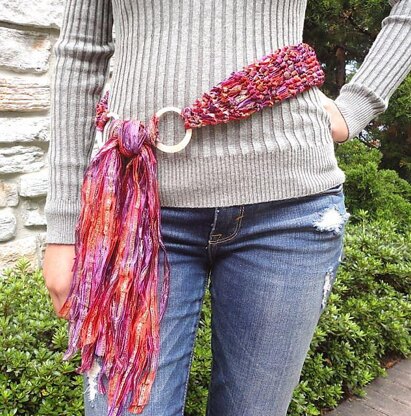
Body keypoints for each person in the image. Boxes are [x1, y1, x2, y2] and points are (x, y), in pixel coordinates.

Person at [42, 0, 411, 415]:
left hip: (287, 214)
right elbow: (80, 52)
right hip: (137, 214)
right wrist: (63, 229)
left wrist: (358, 104)